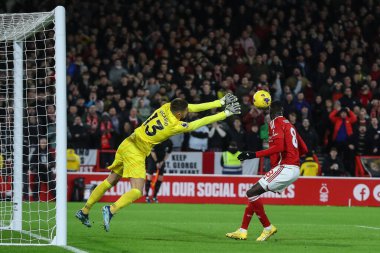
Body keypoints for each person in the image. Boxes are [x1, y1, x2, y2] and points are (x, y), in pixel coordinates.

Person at [75, 94, 240, 231]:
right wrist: (225, 113)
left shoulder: (166, 106)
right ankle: (111, 209)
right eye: (186, 112)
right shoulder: (175, 125)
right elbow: (199, 122)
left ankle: (85, 210)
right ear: (180, 115)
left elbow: (193, 107)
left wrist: (220, 102)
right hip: (137, 151)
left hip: (127, 142)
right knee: (138, 191)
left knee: (111, 180)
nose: (188, 113)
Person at [226, 101, 308, 241]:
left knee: (251, 192)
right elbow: (304, 149)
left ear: (271, 112)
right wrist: (292, 159)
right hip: (293, 168)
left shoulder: (275, 122)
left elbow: (279, 147)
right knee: (255, 194)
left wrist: (253, 154)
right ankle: (242, 230)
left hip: (286, 167)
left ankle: (268, 227)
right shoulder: (290, 125)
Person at [145, 139, 173, 203]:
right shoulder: (156, 139)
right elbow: (152, 152)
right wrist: (157, 162)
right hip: (152, 159)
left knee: (160, 178)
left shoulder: (169, 142)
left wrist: (162, 161)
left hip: (161, 160)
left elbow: (168, 153)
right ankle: (147, 196)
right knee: (149, 177)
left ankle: (154, 196)